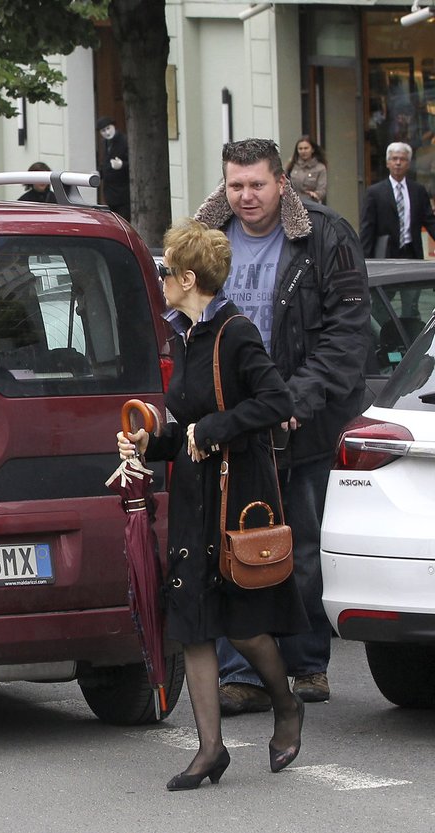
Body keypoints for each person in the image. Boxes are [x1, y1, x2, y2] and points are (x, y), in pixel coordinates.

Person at [118, 218, 306, 790]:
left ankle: (287, 705)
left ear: (190, 277)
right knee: (193, 624)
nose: (163, 281)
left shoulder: (235, 332)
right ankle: (210, 749)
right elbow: (187, 429)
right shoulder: (188, 334)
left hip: (236, 497)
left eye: (168, 272)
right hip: (195, 495)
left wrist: (215, 429)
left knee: (246, 628)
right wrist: (152, 444)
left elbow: (276, 401)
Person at [193, 138, 370, 715]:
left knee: (300, 547)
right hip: (231, 422)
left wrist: (296, 398)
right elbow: (182, 320)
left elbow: (347, 333)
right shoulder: (203, 238)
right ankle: (241, 673)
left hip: (304, 421)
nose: (246, 197)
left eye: (257, 185)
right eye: (235, 185)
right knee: (233, 545)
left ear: (282, 184)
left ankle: (306, 662)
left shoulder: (326, 234)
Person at [359, 141, 435, 261]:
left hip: (412, 252)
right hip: (386, 253)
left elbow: (430, 221)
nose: (398, 163)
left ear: (408, 164)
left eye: (402, 159)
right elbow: (367, 228)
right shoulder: (374, 192)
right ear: (387, 163)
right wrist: (364, 260)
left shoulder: (418, 191)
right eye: (394, 159)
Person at [96, 117, 130, 221]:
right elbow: (105, 163)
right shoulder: (105, 143)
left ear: (113, 126)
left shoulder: (124, 141)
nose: (107, 132)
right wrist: (99, 173)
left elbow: (134, 163)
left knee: (123, 221)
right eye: (103, 131)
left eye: (108, 128)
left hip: (123, 193)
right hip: (110, 193)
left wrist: (122, 165)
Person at [285, 136, 327, 204]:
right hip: (293, 204)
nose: (303, 151)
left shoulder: (320, 168)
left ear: (312, 149)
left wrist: (316, 195)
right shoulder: (292, 165)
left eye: (306, 148)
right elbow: (284, 181)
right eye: (300, 149)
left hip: (311, 204)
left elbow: (322, 189)